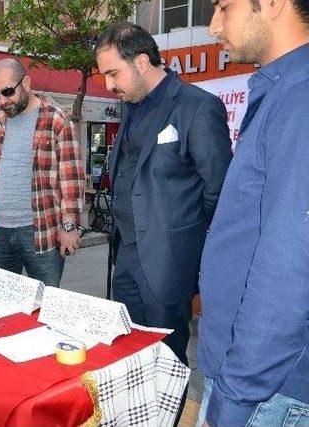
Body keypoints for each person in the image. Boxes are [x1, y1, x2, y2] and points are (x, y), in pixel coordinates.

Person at [195, 0, 309, 424]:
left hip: (265, 390)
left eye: (224, 6)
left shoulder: (300, 98)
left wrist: (236, 395)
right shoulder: (284, 90)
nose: (212, 26)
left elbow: (291, 268)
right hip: (253, 379)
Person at [95, 22, 232, 366]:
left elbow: (220, 190)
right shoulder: (130, 106)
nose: (109, 85)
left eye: (114, 73)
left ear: (142, 62)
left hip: (168, 262)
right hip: (124, 254)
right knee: (128, 353)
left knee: (166, 361)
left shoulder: (197, 107)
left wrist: (190, 245)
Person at [0, 58, 84, 287]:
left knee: (46, 305)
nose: (1, 101)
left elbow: (71, 179)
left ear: (26, 83)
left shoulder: (57, 119)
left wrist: (69, 226)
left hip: (40, 231)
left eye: (6, 92)